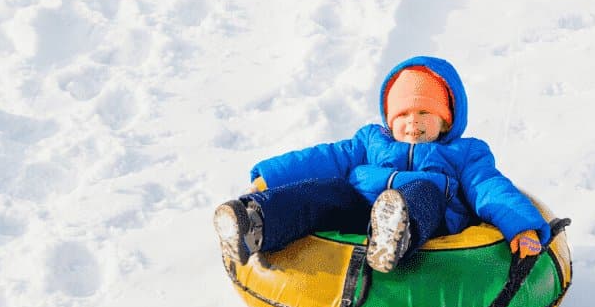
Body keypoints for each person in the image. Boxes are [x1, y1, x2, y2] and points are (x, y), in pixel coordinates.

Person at [214, 56, 549, 275]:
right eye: (402, 114)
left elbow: (490, 187)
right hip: (363, 208)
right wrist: (268, 175)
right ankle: (256, 221)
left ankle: (396, 236)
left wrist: (522, 226)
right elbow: (325, 158)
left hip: (425, 216)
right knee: (329, 189)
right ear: (390, 119)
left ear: (445, 122)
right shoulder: (371, 141)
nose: (412, 123)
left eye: (424, 114)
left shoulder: (464, 153)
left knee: (425, 189)